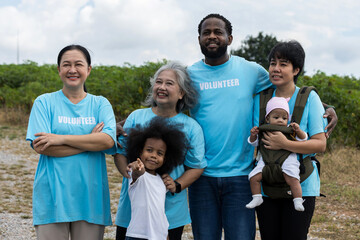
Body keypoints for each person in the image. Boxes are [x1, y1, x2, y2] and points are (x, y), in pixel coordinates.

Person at [186, 13, 337, 240]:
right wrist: (125, 122)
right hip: (201, 173)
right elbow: (164, 104)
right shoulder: (188, 76)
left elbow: (291, 90)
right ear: (198, 38)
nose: (212, 36)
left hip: (241, 174)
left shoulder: (250, 70)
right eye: (206, 32)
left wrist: (326, 107)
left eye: (218, 32)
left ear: (230, 38)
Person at [26, 44, 117, 240]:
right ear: (59, 69)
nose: (72, 70)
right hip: (52, 198)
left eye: (78, 64)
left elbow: (108, 141)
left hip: (90, 199)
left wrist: (60, 138)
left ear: (88, 69)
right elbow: (42, 147)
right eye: (66, 64)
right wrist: (90, 142)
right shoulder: (44, 102)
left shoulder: (100, 103)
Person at [114, 61, 206, 240]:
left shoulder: (192, 127)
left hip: (170, 216)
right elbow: (120, 153)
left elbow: (197, 166)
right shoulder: (136, 117)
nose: (162, 87)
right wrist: (129, 173)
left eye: (169, 83)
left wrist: (177, 185)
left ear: (181, 93)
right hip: (131, 214)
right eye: (158, 82)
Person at [254, 40, 327, 240]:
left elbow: (320, 144)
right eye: (272, 63)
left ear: (296, 69)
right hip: (267, 184)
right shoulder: (260, 100)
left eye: (283, 64)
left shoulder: (310, 98)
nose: (275, 69)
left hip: (302, 184)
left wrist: (285, 144)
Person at [123, 117, 188, 240]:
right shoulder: (136, 174)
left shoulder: (161, 180)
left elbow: (160, 213)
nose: (153, 155)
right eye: (149, 150)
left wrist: (166, 235)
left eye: (159, 153)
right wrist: (137, 168)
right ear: (139, 152)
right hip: (137, 236)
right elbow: (137, 172)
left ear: (166, 158)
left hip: (160, 236)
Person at [246, 97, 308, 211]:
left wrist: (298, 131)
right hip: (265, 159)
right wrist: (253, 135)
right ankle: (257, 197)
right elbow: (254, 143)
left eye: (284, 118)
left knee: (293, 178)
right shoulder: (263, 130)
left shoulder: (290, 129)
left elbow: (303, 139)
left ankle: (298, 199)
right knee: (253, 177)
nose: (280, 120)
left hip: (287, 158)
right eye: (276, 117)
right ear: (267, 118)